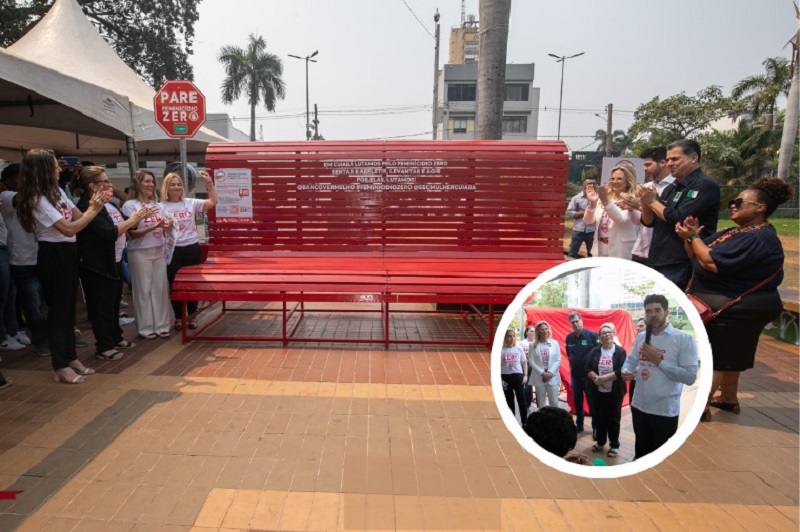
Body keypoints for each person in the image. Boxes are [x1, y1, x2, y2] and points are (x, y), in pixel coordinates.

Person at [676, 177, 792, 421]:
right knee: (731, 354)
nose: (733, 205)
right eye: (733, 201)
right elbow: (695, 256)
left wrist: (695, 240)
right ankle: (728, 399)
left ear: (760, 208)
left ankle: (699, 409)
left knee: (716, 356)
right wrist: (690, 237)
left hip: (736, 307)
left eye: (740, 202)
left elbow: (710, 262)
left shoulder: (758, 238)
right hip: (736, 304)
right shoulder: (737, 233)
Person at [15, 149, 110, 384]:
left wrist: (90, 211)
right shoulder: (36, 199)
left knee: (68, 310)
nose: (60, 169)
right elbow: (69, 227)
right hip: (52, 253)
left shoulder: (56, 191)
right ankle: (59, 365)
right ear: (44, 170)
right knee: (58, 312)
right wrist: (94, 210)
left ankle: (70, 358)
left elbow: (78, 217)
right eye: (55, 166)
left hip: (69, 251)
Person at [76, 167, 149, 361]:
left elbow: (126, 224)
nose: (110, 185)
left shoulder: (109, 205)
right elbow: (108, 233)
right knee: (101, 308)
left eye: (109, 181)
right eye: (105, 181)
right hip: (97, 266)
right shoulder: (87, 207)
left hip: (115, 262)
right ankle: (104, 347)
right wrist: (133, 220)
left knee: (113, 304)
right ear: (92, 186)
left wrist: (139, 217)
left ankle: (115, 338)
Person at [636, 139, 720, 290]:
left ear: (693, 158)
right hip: (658, 258)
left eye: (675, 159)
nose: (669, 164)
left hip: (680, 261)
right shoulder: (672, 187)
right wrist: (645, 202)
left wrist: (652, 202)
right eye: (668, 160)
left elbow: (677, 218)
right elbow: (649, 222)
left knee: (672, 308)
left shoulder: (705, 185)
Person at [622, 294, 698, 459]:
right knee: (641, 452)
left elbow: (690, 377)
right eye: (648, 311)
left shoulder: (684, 339)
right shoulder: (642, 337)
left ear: (666, 311)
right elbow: (631, 360)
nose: (653, 315)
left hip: (664, 410)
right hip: (639, 405)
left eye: (657, 310)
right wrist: (625, 371)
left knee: (660, 458)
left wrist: (658, 361)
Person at [160, 170, 218, 330]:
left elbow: (213, 201)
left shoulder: (190, 203)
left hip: (191, 248)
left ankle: (192, 316)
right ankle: (179, 317)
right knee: (175, 284)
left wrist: (209, 182)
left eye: (179, 184)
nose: (176, 187)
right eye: (172, 184)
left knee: (192, 283)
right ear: (166, 187)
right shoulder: (160, 206)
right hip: (172, 250)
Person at [0, 163, 48, 356]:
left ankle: (50, 335)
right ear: (9, 181)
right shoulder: (6, 196)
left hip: (42, 254)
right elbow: (23, 198)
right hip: (22, 259)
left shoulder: (39, 195)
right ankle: (41, 340)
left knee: (43, 301)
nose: (25, 180)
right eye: (21, 177)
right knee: (32, 303)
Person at [123, 170, 172, 340]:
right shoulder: (130, 205)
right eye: (147, 181)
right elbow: (133, 233)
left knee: (160, 289)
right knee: (142, 290)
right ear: (138, 184)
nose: (151, 185)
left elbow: (165, 226)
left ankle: (162, 325)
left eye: (152, 182)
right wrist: (154, 225)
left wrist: (169, 225)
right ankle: (145, 327)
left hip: (159, 250)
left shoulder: (159, 205)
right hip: (139, 252)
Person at [585, 323, 627, 458]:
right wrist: (596, 378)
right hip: (597, 391)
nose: (607, 334)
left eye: (609, 332)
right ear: (599, 337)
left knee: (613, 419)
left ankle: (614, 445)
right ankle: (601, 442)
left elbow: (621, 371)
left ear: (613, 334)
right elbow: (587, 368)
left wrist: (604, 379)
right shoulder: (595, 351)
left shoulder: (620, 351)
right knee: (599, 418)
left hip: (614, 392)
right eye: (603, 332)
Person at [627, 147, 675, 264]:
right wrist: (631, 208)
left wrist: (642, 205)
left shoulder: (675, 187)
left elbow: (670, 216)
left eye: (648, 165)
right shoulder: (645, 187)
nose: (644, 169)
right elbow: (639, 222)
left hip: (663, 251)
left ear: (662, 163)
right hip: (641, 249)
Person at [583, 164, 641, 259]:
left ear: (628, 181)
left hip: (620, 250)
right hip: (600, 248)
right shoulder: (605, 198)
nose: (615, 182)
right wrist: (592, 203)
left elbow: (621, 219)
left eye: (619, 179)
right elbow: (588, 221)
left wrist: (606, 202)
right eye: (612, 179)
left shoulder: (633, 199)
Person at [564, 312, 600, 436]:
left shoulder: (592, 336)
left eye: (577, 321)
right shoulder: (569, 338)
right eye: (572, 322)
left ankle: (596, 427)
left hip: (588, 377)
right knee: (577, 402)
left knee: (592, 403)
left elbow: (599, 354)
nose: (575, 324)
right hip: (575, 376)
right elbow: (570, 355)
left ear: (581, 321)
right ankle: (579, 425)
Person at [527, 320, 562, 410]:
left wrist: (550, 373)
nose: (545, 331)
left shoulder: (554, 343)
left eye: (546, 329)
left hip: (552, 376)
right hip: (539, 376)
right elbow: (531, 361)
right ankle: (543, 422)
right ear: (538, 331)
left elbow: (558, 359)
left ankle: (555, 422)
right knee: (541, 403)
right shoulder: (532, 345)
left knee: (554, 402)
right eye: (542, 329)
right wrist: (542, 373)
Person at [500, 329, 528, 425]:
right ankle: (512, 421)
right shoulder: (502, 350)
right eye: (509, 336)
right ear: (505, 338)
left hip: (518, 376)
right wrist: (500, 380)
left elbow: (524, 363)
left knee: (522, 400)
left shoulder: (519, 349)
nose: (512, 338)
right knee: (509, 400)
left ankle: (524, 422)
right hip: (506, 377)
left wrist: (525, 375)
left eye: (513, 336)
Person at [566, 178, 597, 258]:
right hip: (578, 230)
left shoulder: (598, 199)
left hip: (593, 231)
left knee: (593, 255)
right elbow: (569, 213)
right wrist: (586, 212)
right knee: (572, 254)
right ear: (584, 186)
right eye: (589, 184)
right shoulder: (576, 198)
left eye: (593, 184)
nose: (592, 185)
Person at [517, 326, 535, 412]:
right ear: (527, 332)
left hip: (535, 365)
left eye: (534, 331)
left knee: (537, 387)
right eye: (531, 331)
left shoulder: (537, 343)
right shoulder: (521, 343)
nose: (533, 333)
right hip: (525, 365)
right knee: (527, 386)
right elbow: (519, 354)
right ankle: (526, 405)